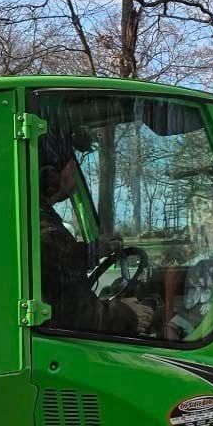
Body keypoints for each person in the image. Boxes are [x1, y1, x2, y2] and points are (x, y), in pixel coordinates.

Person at [36, 122, 155, 337]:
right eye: (73, 165)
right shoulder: (47, 234)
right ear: (51, 176)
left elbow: (60, 264)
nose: (76, 173)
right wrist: (129, 314)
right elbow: (76, 316)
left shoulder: (33, 221)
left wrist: (95, 250)